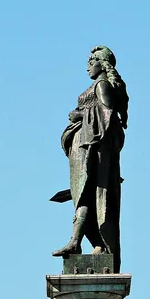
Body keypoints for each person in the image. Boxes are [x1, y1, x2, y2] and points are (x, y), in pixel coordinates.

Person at [52, 46, 128, 271]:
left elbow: (108, 116)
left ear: (102, 64)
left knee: (84, 194)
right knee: (81, 196)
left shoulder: (102, 85)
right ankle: (82, 243)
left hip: (91, 150)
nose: (88, 65)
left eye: (92, 60)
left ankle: (77, 242)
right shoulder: (97, 85)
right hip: (83, 147)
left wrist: (80, 115)